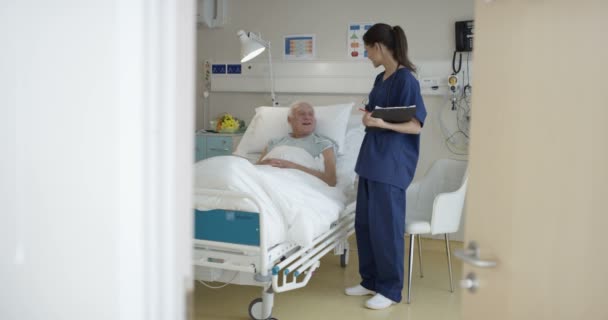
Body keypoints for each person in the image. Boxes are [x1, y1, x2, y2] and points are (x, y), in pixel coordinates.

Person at [345, 23, 427, 309]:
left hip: (391, 163)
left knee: (386, 227)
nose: (367, 54)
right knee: (365, 224)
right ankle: (370, 281)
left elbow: (415, 125)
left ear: (379, 46)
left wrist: (380, 122)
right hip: (371, 159)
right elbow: (377, 112)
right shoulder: (381, 79)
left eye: (368, 49)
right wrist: (370, 118)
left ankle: (390, 290)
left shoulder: (407, 81)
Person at [257, 101, 338, 187]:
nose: (307, 117)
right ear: (289, 119)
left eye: (311, 114)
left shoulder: (323, 144)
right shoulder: (274, 143)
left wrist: (292, 166)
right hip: (264, 180)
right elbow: (254, 168)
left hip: (295, 185)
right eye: (301, 114)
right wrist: (264, 163)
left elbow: (331, 181)